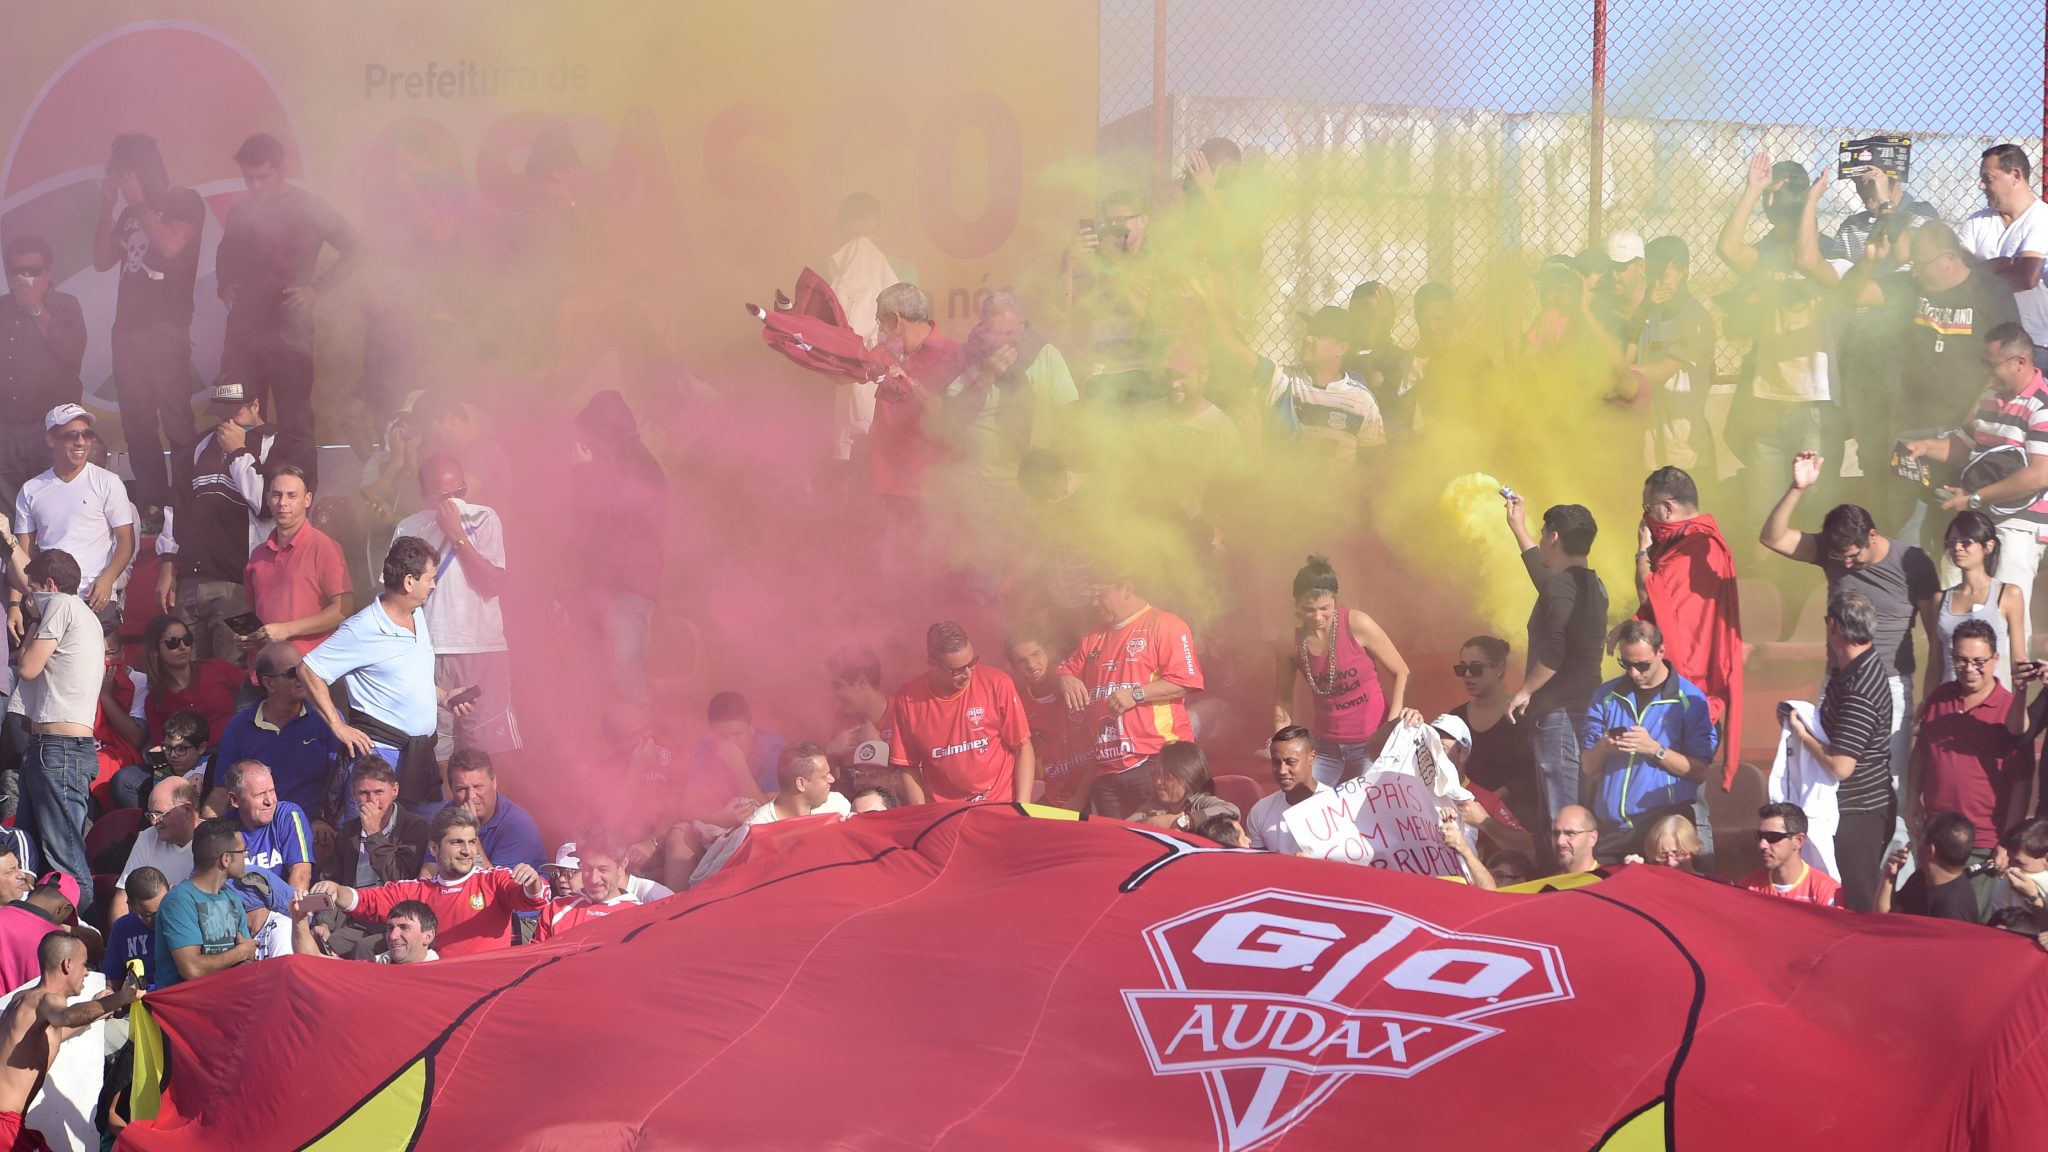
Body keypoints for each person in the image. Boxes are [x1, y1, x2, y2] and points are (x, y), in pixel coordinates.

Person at [1761, 453, 1940, 788]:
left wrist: (1928, 696)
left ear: (1872, 536)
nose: (1846, 563)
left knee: (1890, 780)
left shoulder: (1913, 562)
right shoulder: (1832, 554)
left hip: (1891, 683)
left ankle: (1895, 840)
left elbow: (1936, 636)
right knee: (1832, 780)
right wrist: (1797, 488)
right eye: (1839, 557)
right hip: (1838, 682)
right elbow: (1773, 538)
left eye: (1853, 556)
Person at [216, 132, 359, 482]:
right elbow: (224, 254)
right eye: (248, 178)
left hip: (289, 333)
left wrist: (316, 289)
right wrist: (224, 284)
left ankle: (301, 501)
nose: (254, 185)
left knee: (295, 421)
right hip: (243, 334)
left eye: (262, 176)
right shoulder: (241, 211)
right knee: (236, 415)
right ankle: (245, 498)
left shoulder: (310, 207)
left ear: (283, 169)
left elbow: (355, 248)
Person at [1898, 324, 2048, 655]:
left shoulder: (2042, 405)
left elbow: (2039, 475)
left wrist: (1974, 498)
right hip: (1978, 519)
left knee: (2008, 616)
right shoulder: (1988, 398)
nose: (1985, 371)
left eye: (1991, 364)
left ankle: (2009, 697)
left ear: (2019, 362)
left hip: (2020, 525)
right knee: (1954, 596)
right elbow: (1967, 445)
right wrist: (1925, 447)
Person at [1718, 154, 1839, 526]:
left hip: (1814, 400)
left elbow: (1807, 260)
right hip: (1767, 396)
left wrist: (1812, 205)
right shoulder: (1766, 252)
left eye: (1777, 195)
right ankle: (1768, 582)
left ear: (1799, 197)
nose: (1770, 206)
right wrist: (1752, 190)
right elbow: (1728, 249)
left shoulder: (1830, 251)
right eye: (1766, 198)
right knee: (1763, 510)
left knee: (1816, 509)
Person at [301, 537, 466, 809]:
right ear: (409, 582)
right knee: (373, 842)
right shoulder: (362, 628)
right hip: (379, 759)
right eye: (430, 578)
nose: (434, 585)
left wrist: (445, 697)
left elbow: (409, 679)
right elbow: (308, 670)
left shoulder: (417, 615)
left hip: (420, 757)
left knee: (422, 844)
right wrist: (337, 725)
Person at [91, 132, 204, 522]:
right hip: (127, 332)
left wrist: (139, 205)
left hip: (166, 328)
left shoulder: (183, 201)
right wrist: (108, 207)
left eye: (125, 176)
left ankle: (190, 502)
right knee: (137, 422)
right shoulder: (127, 213)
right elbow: (102, 260)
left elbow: (172, 245)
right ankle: (154, 504)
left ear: (142, 171)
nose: (122, 185)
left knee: (175, 419)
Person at [1834, 220, 2023, 441]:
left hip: (1966, 426)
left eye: (1921, 264)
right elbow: (1850, 295)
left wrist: (1977, 412)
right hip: (1910, 423)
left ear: (1949, 258)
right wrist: (1869, 261)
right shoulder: (1910, 286)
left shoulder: (1991, 292)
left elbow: (2009, 359)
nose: (1914, 272)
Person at [1623, 467, 1743, 790]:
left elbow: (1652, 595)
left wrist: (1641, 553)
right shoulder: (1688, 545)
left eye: (1648, 510)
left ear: (1668, 508)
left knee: (1686, 798)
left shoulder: (1698, 549)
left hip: (1695, 694)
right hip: (1686, 692)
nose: (1647, 519)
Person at [392, 453, 518, 760]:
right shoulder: (409, 528)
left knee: (486, 753)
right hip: (430, 651)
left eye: (459, 492)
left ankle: (489, 809)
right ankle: (448, 810)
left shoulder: (485, 517)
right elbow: (395, 596)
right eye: (444, 496)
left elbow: (494, 583)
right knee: (438, 754)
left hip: (481, 649)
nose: (455, 502)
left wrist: (457, 535)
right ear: (426, 496)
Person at [1781, 592, 1896, 912]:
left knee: (1857, 900)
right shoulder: (1848, 669)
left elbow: (1841, 765)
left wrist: (1803, 736)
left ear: (1833, 627)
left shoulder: (1860, 686)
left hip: (1859, 811)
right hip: (1854, 805)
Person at [1054, 576, 1205, 818]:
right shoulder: (1092, 637)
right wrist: (1065, 678)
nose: (1094, 602)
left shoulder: (1166, 624)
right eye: (1091, 595)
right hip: (1106, 769)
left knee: (1159, 842)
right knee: (1117, 851)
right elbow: (1064, 669)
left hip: (1157, 762)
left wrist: (1136, 694)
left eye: (1100, 593)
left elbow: (1187, 680)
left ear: (1127, 588)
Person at [309, 807, 548, 957]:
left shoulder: (494, 880)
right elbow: (370, 900)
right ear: (433, 848)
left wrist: (532, 883)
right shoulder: (419, 890)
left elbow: (533, 899)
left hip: (486, 991)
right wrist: (337, 891)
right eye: (456, 843)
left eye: (472, 842)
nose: (467, 851)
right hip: (436, 991)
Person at [1503, 496, 1609, 828]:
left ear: (1554, 537)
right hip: (1583, 708)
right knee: (1572, 808)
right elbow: (1546, 582)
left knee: (1563, 816)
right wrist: (1518, 528)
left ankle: (1572, 879)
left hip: (1560, 715)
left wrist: (1525, 690)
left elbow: (1555, 649)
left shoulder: (1562, 587)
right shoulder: (1591, 583)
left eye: (1542, 532)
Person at [153, 377, 275, 661]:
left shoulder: (272, 443)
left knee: (233, 673)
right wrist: (167, 566)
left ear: (255, 406)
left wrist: (239, 452)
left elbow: (266, 505)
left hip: (239, 584)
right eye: (220, 414)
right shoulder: (201, 444)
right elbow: (176, 507)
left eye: (234, 413)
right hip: (190, 583)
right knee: (185, 674)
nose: (226, 422)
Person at [1582, 620, 1720, 864]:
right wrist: (1603, 747)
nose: (1634, 673)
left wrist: (1654, 749)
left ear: (1661, 652)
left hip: (1662, 831)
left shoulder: (1689, 699)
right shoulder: (1605, 696)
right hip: (1612, 829)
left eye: (1642, 665)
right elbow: (1588, 767)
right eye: (1626, 663)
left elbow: (1699, 771)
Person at [1909, 620, 2029, 899]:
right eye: (1961, 660)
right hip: (1936, 838)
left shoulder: (2010, 710)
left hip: (1983, 844)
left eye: (1979, 661)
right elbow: (1922, 751)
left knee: (1973, 930)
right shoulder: (1939, 698)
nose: (1969, 668)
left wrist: (2007, 842)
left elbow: (2022, 784)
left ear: (1996, 659)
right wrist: (1912, 800)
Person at [14, 548, 106, 914]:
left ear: (50, 586)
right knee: (29, 854)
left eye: (33, 591)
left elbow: (28, 667)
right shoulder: (81, 614)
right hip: (53, 747)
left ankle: (87, 938)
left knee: (64, 858)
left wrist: (33, 622)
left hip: (59, 748)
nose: (30, 600)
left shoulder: (62, 606)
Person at [566, 390, 666, 705]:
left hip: (628, 587)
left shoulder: (637, 464)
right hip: (609, 586)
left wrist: (583, 472)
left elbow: (612, 516)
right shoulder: (623, 459)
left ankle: (647, 745)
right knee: (601, 674)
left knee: (626, 672)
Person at [1274, 555, 1407, 785]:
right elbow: (1283, 697)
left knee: (1363, 809)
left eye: (1325, 608)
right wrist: (1282, 743)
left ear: (1335, 600)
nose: (1317, 617)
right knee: (1306, 801)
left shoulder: (1357, 623)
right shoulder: (1289, 640)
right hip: (1325, 747)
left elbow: (1402, 672)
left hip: (1371, 745)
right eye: (1309, 610)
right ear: (1296, 604)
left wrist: (1391, 729)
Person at [0, 933, 139, 1150]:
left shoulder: (23, 1001)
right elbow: (68, 1017)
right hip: (4, 1126)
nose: (86, 972)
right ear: (67, 964)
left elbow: (60, 1031)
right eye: (85, 965)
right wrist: (122, 997)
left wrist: (100, 1008)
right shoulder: (46, 999)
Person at [11, 404, 135, 628]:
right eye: (71, 435)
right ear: (51, 439)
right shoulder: (31, 489)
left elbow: (126, 539)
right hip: (49, 599)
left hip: (96, 597)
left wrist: (108, 580)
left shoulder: (108, 482)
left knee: (96, 664)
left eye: (87, 434)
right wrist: (14, 604)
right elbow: (21, 555)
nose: (81, 442)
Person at [1211, 305, 1387, 461]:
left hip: (1337, 497)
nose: (1308, 338)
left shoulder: (1362, 401)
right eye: (1309, 332)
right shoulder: (1282, 380)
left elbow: (1374, 466)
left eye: (1319, 335)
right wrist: (1208, 300)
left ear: (1341, 348)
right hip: (1282, 494)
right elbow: (1231, 346)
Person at [885, 622, 1035, 805]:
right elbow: (908, 765)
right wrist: (923, 814)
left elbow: (1022, 746)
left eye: (971, 663)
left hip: (1000, 803)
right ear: (932, 664)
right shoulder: (907, 699)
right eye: (957, 670)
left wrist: (1022, 806)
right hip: (946, 813)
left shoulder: (997, 683)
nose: (968, 674)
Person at [0, 235, 85, 514]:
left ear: (49, 271)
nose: (25, 278)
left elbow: (72, 352)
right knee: (7, 517)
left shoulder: (66, 305)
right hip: (7, 429)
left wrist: (35, 308)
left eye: (33, 271)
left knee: (54, 511)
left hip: (52, 431)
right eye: (17, 272)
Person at [207, 642, 340, 816]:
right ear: (269, 683)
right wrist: (208, 833)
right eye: (293, 672)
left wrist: (326, 820)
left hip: (315, 826)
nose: (302, 676)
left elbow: (342, 782)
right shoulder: (238, 727)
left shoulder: (328, 718)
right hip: (257, 830)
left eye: (304, 668)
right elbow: (222, 790)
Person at [869, 282, 962, 512]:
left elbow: (953, 415)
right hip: (886, 485)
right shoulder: (884, 352)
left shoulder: (952, 354)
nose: (880, 328)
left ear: (897, 319)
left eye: (881, 320)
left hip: (931, 490)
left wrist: (912, 386)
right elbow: (845, 369)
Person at [242, 465, 353, 656]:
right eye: (276, 495)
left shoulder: (324, 547)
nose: (283, 502)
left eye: (292, 495)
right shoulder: (258, 554)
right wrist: (246, 637)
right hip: (262, 671)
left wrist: (287, 629)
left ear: (307, 500)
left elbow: (344, 609)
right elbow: (251, 611)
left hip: (306, 672)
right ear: (267, 499)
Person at [1631, 237, 1716, 468]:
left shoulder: (1694, 318)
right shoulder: (1650, 314)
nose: (1656, 284)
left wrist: (1615, 370)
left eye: (1665, 277)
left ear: (1685, 272)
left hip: (1683, 446)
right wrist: (1644, 308)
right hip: (1650, 441)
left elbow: (1661, 371)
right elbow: (1630, 347)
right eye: (1652, 275)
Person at [1956, 144, 2048, 355]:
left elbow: (2027, 278)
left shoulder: (2043, 218)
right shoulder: (1977, 222)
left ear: (2015, 175)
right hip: (1987, 342)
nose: (1981, 185)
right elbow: (1957, 275)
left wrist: (1977, 272)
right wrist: (2004, 263)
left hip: (2037, 344)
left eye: (1988, 178)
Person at [1449, 636, 1543, 837]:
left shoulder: (1522, 715)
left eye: (1475, 668)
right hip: (1465, 819)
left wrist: (1490, 801)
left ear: (1499, 668)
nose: (1467, 675)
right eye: (1461, 669)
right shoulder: (1453, 719)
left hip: (1517, 819)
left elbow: (1530, 773)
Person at [153, 816, 257, 989]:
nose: (246, 856)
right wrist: (241, 952)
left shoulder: (232, 899)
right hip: (182, 1009)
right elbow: (192, 969)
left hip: (225, 1002)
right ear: (226, 859)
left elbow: (248, 957)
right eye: (243, 851)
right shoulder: (179, 902)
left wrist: (246, 954)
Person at [1925, 511, 2026, 689]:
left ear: (1988, 546)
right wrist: (1927, 705)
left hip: (1992, 706)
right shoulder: (1940, 599)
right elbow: (1934, 665)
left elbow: (2018, 664)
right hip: (1947, 703)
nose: (1957, 548)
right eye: (1951, 542)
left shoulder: (2009, 594)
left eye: (1966, 542)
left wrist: (2019, 709)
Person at [1005, 625, 1092, 809]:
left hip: (1097, 793)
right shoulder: (1018, 704)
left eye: (1036, 654)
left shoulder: (1080, 683)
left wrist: (1080, 797)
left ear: (1049, 651)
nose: (1031, 665)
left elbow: (1102, 744)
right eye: (1021, 661)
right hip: (1056, 802)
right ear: (1013, 667)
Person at [137, 613, 243, 747]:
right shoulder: (155, 701)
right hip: (194, 764)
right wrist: (164, 769)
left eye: (187, 639)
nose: (183, 646)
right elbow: (162, 749)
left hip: (235, 750)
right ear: (156, 650)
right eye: (173, 642)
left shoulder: (218, 668)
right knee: (131, 770)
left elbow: (255, 691)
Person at [325, 757, 430, 886]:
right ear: (353, 793)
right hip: (357, 904)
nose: (372, 801)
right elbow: (331, 878)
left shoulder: (416, 828)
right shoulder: (349, 832)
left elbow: (400, 881)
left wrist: (374, 834)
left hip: (395, 905)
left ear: (394, 790)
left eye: (379, 792)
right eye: (364, 793)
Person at [110, 777, 198, 924]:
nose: (153, 821)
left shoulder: (213, 840)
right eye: (150, 814)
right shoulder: (148, 837)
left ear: (187, 809)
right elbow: (123, 896)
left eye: (160, 814)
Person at [444, 749, 547, 871]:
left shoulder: (518, 824)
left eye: (478, 786)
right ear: (451, 790)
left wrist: (470, 832)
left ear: (494, 783)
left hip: (511, 887)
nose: (471, 796)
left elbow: (495, 884)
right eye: (462, 789)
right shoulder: (448, 813)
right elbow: (431, 867)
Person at [1876, 811, 1982, 921]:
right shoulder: (1920, 877)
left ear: (1930, 850)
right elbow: (1884, 921)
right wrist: (1889, 876)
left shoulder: (1952, 909)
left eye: (1923, 835)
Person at [534, 836, 644, 943]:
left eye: (603, 869)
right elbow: (534, 958)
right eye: (587, 868)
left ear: (622, 865)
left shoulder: (640, 916)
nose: (593, 878)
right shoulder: (555, 909)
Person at [226, 761, 312, 891]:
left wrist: (290, 910)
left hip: (286, 907)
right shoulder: (223, 831)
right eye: (259, 795)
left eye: (271, 791)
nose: (270, 801)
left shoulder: (288, 815)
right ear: (235, 800)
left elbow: (301, 875)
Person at [688, 692, 781, 810]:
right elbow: (689, 808)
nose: (731, 742)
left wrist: (740, 768)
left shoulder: (772, 751)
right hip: (722, 820)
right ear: (712, 734)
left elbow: (772, 814)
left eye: (737, 734)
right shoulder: (707, 748)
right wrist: (722, 820)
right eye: (722, 736)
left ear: (751, 727)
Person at [1246, 727, 1331, 855]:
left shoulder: (1337, 807)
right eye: (1276, 762)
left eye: (1290, 762)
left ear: (1312, 758)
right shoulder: (1260, 811)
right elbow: (1257, 866)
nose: (1282, 770)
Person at [1740, 802, 1844, 907]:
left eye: (1772, 837)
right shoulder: (1748, 886)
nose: (1762, 845)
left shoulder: (1825, 890)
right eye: (1759, 836)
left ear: (1798, 841)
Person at [293, 897, 437, 965]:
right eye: (390, 928)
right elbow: (311, 959)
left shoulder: (441, 977)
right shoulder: (374, 967)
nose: (393, 936)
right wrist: (299, 920)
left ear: (428, 936)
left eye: (404, 928)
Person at [1131, 742, 1239, 833]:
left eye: (1168, 776)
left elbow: (1231, 810)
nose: (1158, 781)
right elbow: (1123, 826)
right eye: (1156, 774)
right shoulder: (1154, 806)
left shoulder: (1200, 803)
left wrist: (1186, 821)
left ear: (1189, 775)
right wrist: (1151, 822)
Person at [747, 744, 849, 824]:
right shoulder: (757, 827)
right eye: (824, 776)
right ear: (801, 784)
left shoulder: (838, 805)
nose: (832, 779)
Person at [103, 866, 167, 989]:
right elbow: (112, 983)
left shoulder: (186, 919)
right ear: (130, 906)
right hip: (140, 1001)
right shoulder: (122, 929)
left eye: (163, 909)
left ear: (170, 890)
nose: (158, 918)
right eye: (148, 915)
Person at [1549, 804, 1600, 874]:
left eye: (1570, 833)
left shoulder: (1610, 881)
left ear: (1592, 838)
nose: (1560, 841)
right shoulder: (1549, 882)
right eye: (1555, 833)